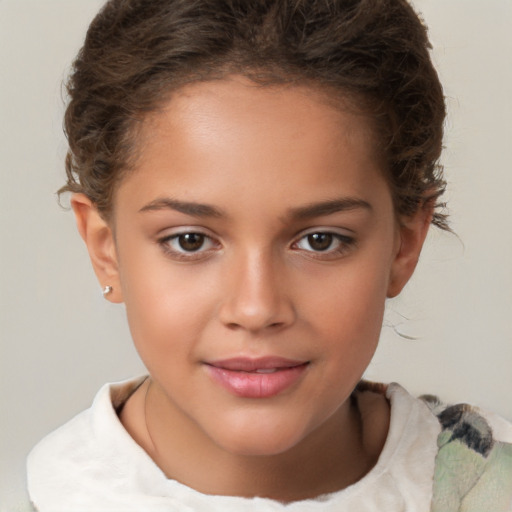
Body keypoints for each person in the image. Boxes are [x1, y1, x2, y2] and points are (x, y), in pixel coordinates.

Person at [26, 0, 512, 510]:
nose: (256, 308)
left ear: (404, 243)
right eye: (190, 240)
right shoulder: (55, 494)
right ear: (106, 250)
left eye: (320, 240)